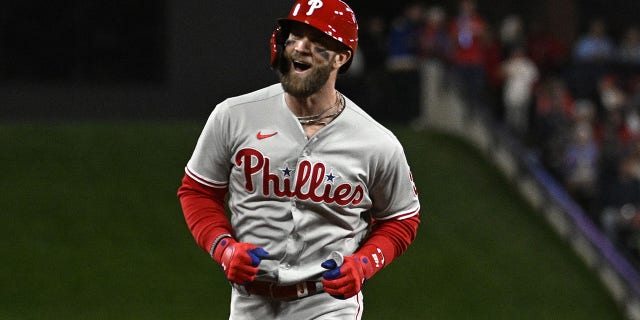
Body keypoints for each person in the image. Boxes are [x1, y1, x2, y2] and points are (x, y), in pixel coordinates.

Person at [177, 1, 422, 319]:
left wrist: (365, 263)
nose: (301, 46)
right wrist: (222, 247)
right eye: (295, 35)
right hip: (250, 303)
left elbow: (401, 218)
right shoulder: (233, 116)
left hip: (326, 304)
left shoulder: (376, 142)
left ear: (342, 56)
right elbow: (198, 191)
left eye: (317, 39)